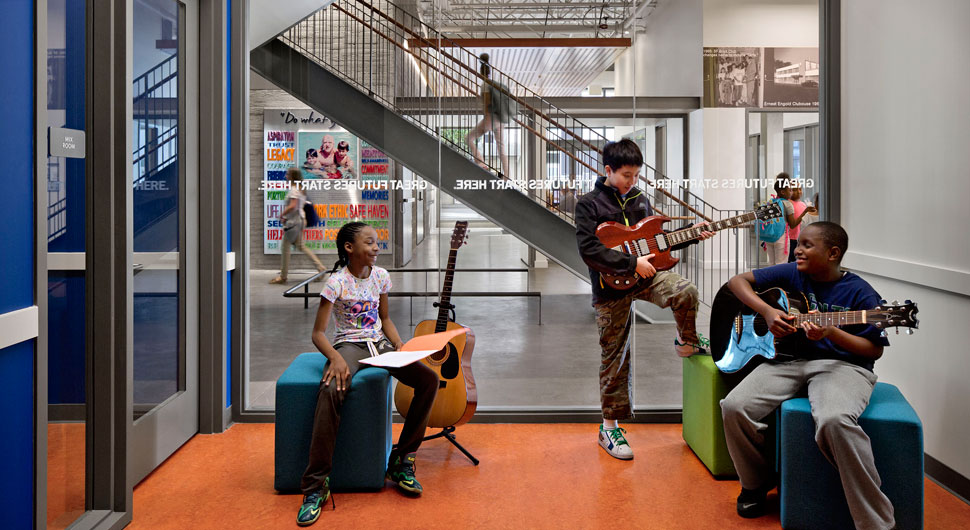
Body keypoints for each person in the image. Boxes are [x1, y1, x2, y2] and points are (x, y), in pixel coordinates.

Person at [720, 221, 895, 529]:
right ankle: (755, 484)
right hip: (788, 361)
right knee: (734, 407)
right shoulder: (792, 273)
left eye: (807, 245)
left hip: (843, 366)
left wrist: (832, 332)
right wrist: (767, 312)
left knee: (834, 420)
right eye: (798, 243)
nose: (797, 249)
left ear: (833, 253)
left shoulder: (861, 294)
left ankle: (876, 523)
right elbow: (737, 282)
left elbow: (873, 350)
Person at [574, 139, 714, 460]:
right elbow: (589, 250)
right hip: (610, 290)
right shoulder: (589, 205)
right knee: (615, 357)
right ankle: (609, 428)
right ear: (607, 170)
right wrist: (629, 263)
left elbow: (655, 245)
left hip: (646, 277)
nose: (631, 181)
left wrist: (693, 232)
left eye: (636, 175)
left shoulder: (640, 200)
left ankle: (686, 340)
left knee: (685, 292)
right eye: (626, 175)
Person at [296, 222, 439, 526]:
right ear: (349, 248)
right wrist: (335, 358)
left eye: (377, 243)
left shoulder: (381, 277)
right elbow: (318, 333)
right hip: (349, 345)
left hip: (381, 344)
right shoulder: (336, 283)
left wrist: (400, 344)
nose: (376, 248)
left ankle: (401, 460)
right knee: (330, 389)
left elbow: (384, 318)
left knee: (429, 380)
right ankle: (316, 485)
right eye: (370, 243)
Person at [270, 167, 326, 285]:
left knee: (285, 247)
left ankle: (283, 277)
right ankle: (321, 268)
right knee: (301, 246)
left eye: (287, 174)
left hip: (294, 222)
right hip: (299, 220)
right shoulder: (300, 189)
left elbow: (293, 206)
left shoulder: (295, 190)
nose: (286, 176)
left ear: (292, 177)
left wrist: (282, 214)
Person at [465, 52, 510, 177]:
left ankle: (480, 162)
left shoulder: (485, 84)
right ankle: (506, 176)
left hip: (490, 118)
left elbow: (486, 103)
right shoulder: (494, 84)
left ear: (480, 72)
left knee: (469, 138)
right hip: (500, 119)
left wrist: (486, 116)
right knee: (501, 147)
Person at [765, 173, 816, 265]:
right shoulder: (788, 203)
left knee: (773, 263)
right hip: (785, 238)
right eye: (791, 190)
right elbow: (793, 224)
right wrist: (805, 212)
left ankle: (772, 278)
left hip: (777, 237)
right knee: (783, 263)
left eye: (799, 189)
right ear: (783, 191)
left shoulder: (772, 201)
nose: (792, 192)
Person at [787, 185, 812, 262]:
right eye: (795, 189)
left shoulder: (803, 204)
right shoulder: (788, 204)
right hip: (790, 239)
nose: (798, 191)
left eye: (800, 189)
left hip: (800, 239)